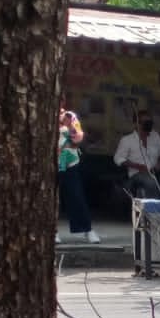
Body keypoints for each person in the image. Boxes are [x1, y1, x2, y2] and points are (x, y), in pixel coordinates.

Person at [57, 104, 98, 244]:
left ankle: (87, 230)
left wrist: (69, 126)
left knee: (76, 195)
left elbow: (78, 137)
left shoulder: (70, 116)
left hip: (69, 162)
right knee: (51, 198)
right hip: (50, 162)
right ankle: (52, 232)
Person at [115, 109, 160, 198]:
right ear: (137, 124)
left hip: (158, 173)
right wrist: (138, 166)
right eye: (146, 122)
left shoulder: (155, 136)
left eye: (150, 122)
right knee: (151, 183)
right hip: (138, 174)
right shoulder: (127, 140)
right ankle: (154, 210)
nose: (149, 124)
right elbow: (118, 158)